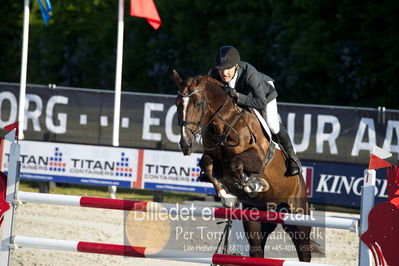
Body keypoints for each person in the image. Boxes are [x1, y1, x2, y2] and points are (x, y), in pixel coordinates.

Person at [207, 45, 301, 177]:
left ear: (236, 66)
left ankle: (293, 159)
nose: (224, 73)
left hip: (263, 95)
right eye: (221, 69)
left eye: (228, 69)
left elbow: (260, 102)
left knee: (272, 124)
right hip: (242, 96)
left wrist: (237, 96)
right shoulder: (214, 74)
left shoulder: (249, 73)